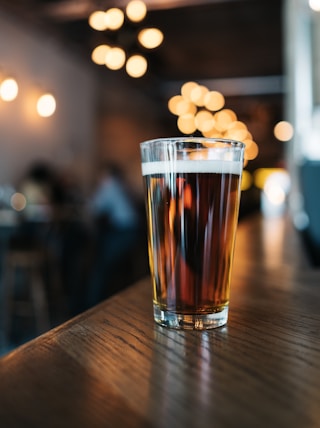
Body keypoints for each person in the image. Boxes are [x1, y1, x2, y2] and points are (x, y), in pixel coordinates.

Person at [87, 162, 141, 306]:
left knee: (100, 265)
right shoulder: (123, 185)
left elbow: (94, 208)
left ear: (107, 174)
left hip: (124, 233)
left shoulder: (110, 185)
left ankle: (94, 304)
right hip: (134, 232)